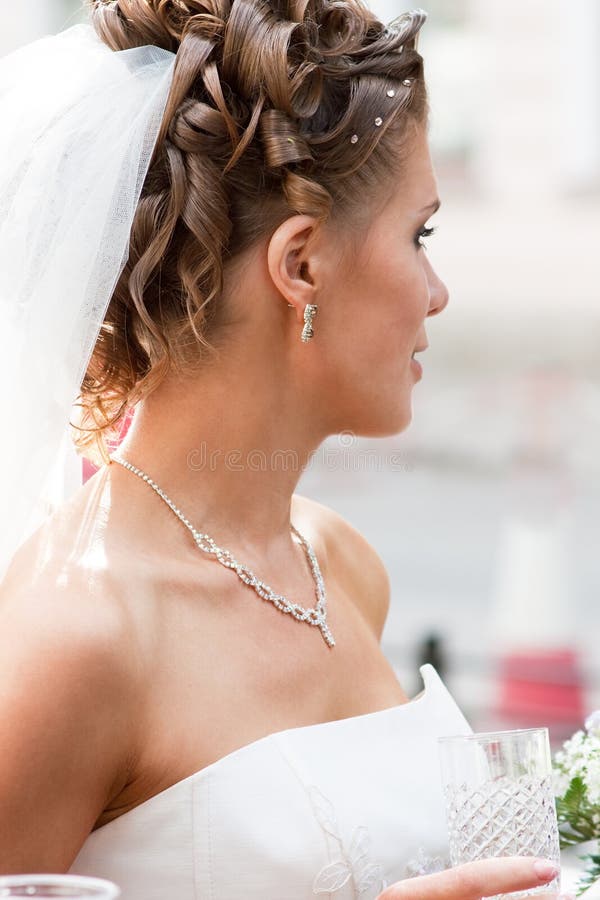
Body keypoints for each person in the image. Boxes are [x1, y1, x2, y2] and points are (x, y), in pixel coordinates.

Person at [0, 1, 568, 897]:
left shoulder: (341, 566)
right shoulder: (75, 637)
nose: (438, 292)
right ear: (301, 265)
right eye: (418, 235)